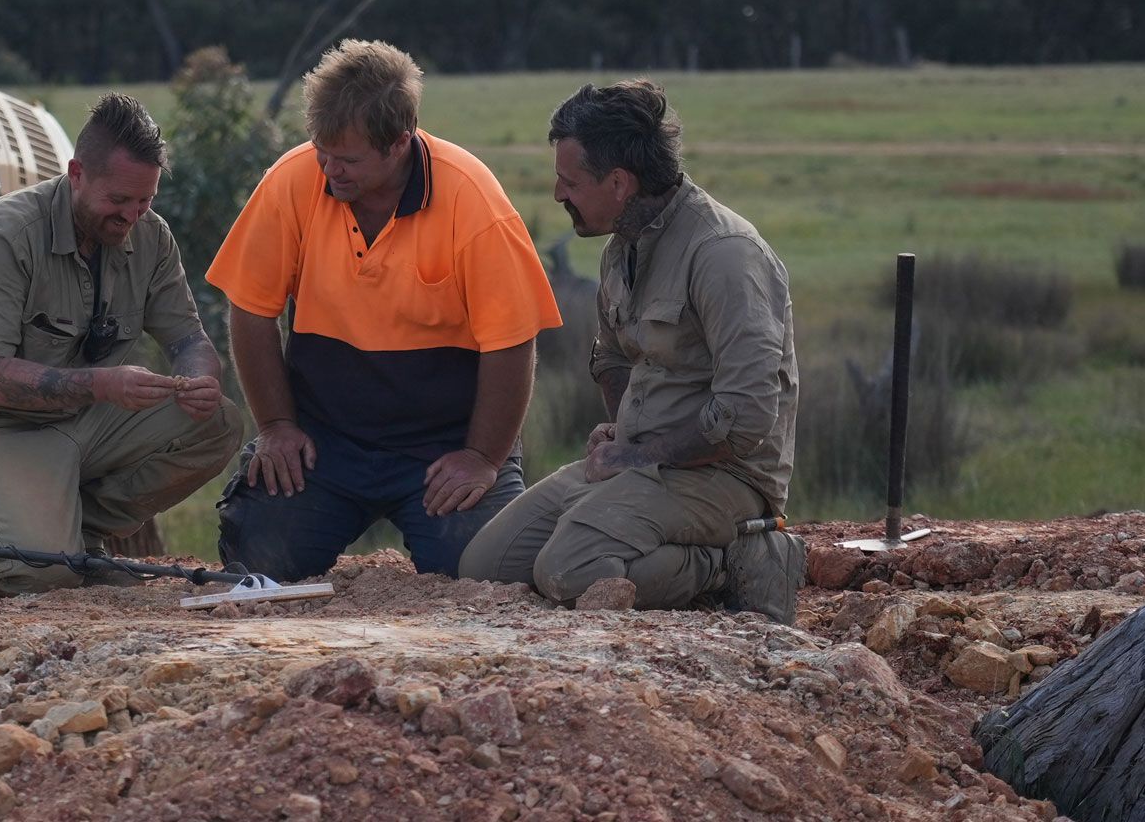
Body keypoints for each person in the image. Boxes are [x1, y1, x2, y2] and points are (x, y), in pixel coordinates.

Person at [208, 40, 563, 583]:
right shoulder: (294, 178)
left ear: (400, 143)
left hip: (444, 441)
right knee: (257, 557)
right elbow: (251, 310)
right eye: (321, 150)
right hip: (323, 436)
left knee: (484, 570)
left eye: (347, 159)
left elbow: (512, 341)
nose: (329, 169)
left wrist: (482, 457)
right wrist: (277, 425)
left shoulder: (474, 200)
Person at [457, 80, 807, 623]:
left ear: (619, 183)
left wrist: (640, 454)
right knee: (485, 565)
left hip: (726, 477)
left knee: (568, 572)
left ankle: (729, 561)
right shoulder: (622, 244)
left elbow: (746, 419)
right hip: (640, 460)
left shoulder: (725, 257)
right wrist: (622, 431)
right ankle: (650, 547)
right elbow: (614, 358)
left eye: (569, 181)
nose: (558, 195)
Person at [0, 94, 241, 594]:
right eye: (118, 201)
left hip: (76, 420)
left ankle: (80, 537)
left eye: (145, 201)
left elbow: (189, 338)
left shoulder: (152, 237)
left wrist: (201, 378)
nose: (132, 217)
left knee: (216, 421)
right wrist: (102, 384)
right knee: (38, 572)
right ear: (77, 173)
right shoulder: (7, 234)